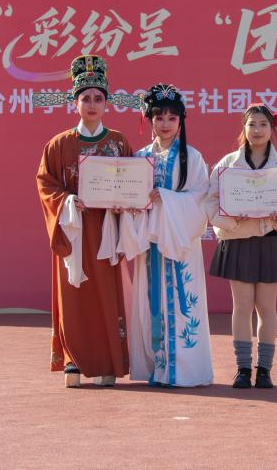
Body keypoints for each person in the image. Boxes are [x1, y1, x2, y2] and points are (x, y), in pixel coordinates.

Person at [36, 55, 134, 388]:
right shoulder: (59, 144)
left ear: (107, 103)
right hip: (74, 229)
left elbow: (132, 182)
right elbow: (46, 184)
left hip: (106, 228)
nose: (92, 104)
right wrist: (67, 201)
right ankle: (72, 361)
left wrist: (123, 202)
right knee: (73, 293)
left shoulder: (118, 142)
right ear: (74, 103)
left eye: (98, 98)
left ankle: (108, 361)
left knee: (106, 293)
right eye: (86, 98)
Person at [205, 105, 277, 389]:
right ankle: (242, 368)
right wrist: (230, 218)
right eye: (252, 124)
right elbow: (211, 201)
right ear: (244, 128)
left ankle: (264, 369)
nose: (257, 130)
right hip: (238, 239)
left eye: (263, 124)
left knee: (266, 307)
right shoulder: (228, 164)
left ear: (272, 129)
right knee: (241, 306)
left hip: (270, 239)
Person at [120, 83, 214, 387]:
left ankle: (184, 371)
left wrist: (166, 198)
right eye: (159, 117)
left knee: (183, 304)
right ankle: (157, 366)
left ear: (181, 121)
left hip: (179, 244)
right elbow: (131, 198)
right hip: (150, 245)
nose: (165, 124)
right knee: (152, 305)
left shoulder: (192, 158)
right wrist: (131, 205)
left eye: (172, 118)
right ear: (149, 120)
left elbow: (200, 200)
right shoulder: (140, 158)